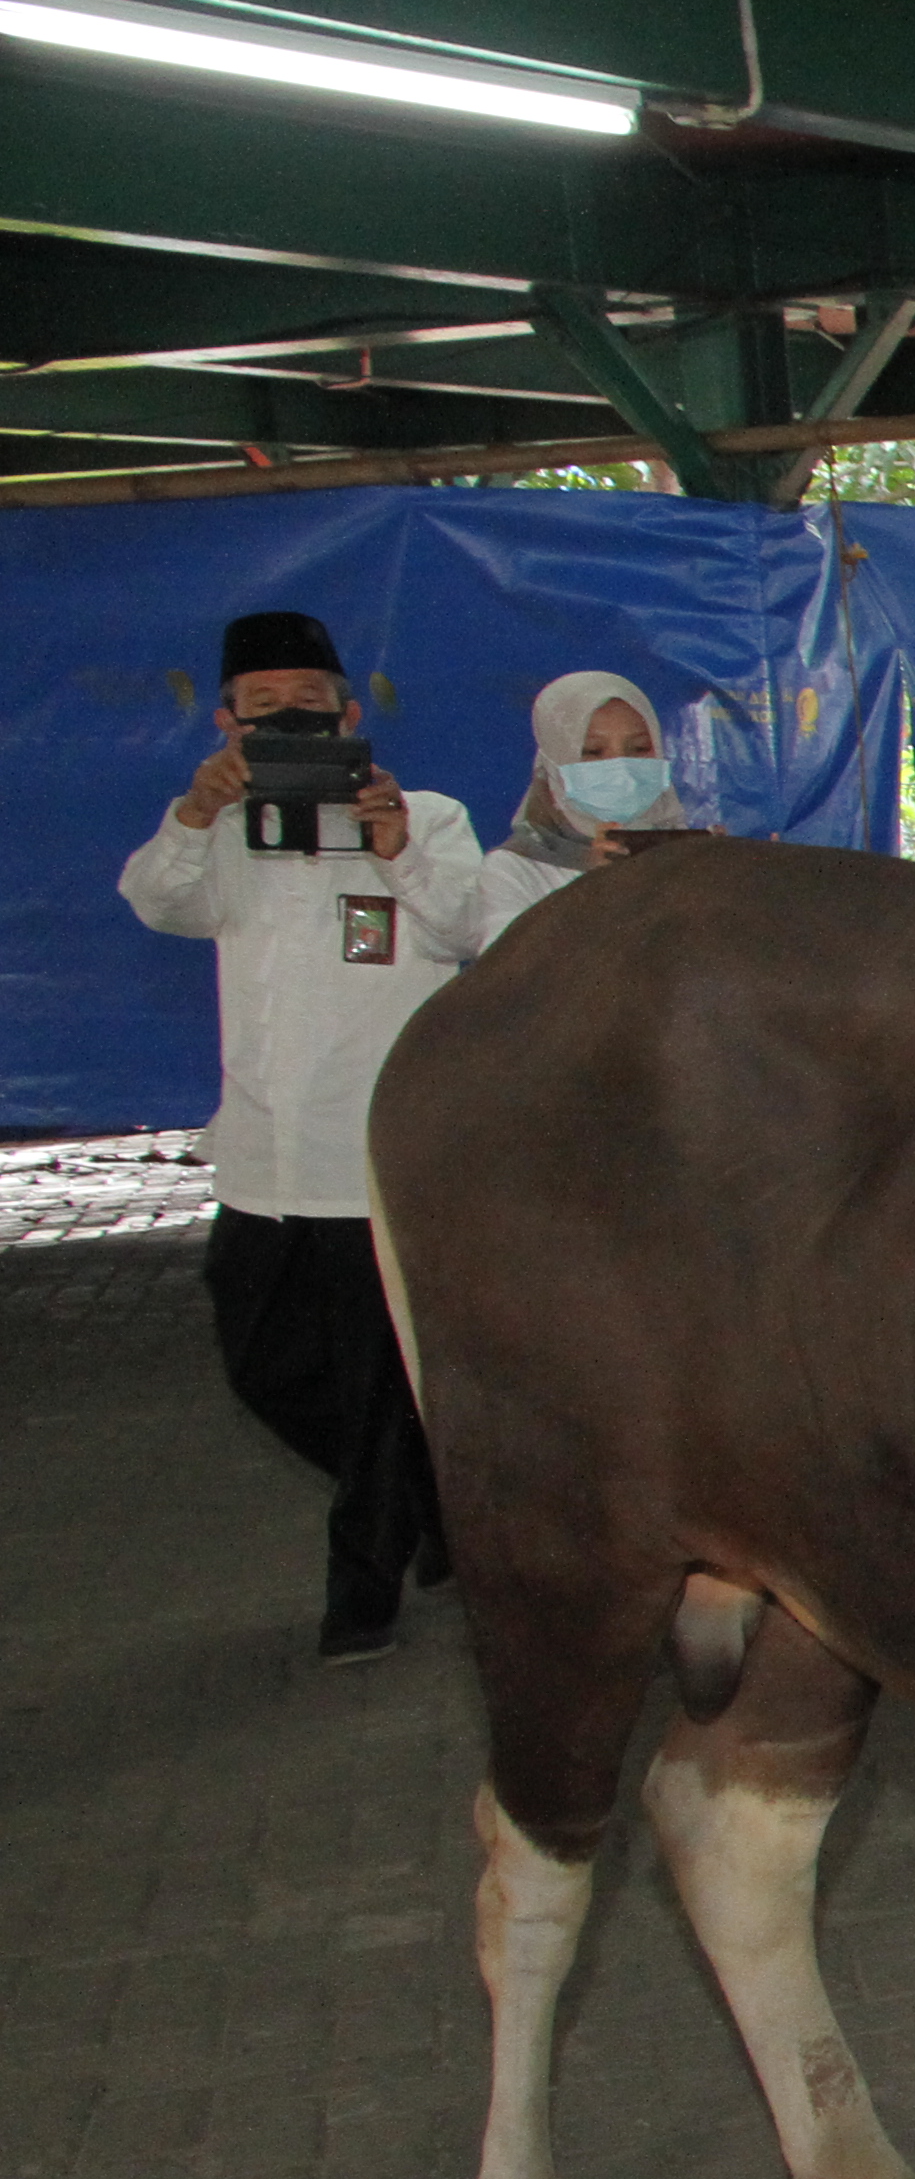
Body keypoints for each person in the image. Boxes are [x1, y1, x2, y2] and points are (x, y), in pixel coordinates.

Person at [119, 606, 492, 1664]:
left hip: (372, 1157)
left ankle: (363, 1589)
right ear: (229, 723)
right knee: (263, 1367)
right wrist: (194, 814)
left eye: (308, 706)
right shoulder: (217, 832)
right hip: (260, 1160)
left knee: (373, 1386)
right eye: (262, 711)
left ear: (348, 713)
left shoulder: (424, 815)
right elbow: (155, 903)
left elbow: (468, 926)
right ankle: (428, 1497)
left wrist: (397, 850)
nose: (286, 724)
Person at [473, 669, 690, 938]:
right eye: (593, 752)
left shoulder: (685, 858)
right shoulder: (514, 871)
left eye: (640, 748)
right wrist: (595, 888)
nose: (620, 768)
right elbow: (510, 976)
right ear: (554, 763)